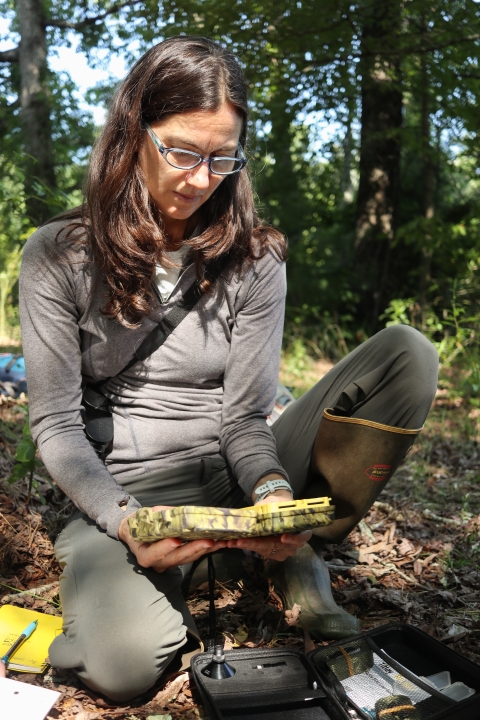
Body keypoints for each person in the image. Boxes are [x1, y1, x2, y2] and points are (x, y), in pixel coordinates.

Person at [19, 36, 439, 703]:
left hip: (230, 467)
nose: (199, 177)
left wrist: (272, 490)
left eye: (222, 157)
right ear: (133, 134)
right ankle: (163, 578)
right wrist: (127, 521)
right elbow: (58, 429)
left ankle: (293, 551)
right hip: (129, 489)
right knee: (122, 667)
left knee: (407, 355)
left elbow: (244, 419)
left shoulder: (253, 260)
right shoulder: (57, 257)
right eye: (182, 150)